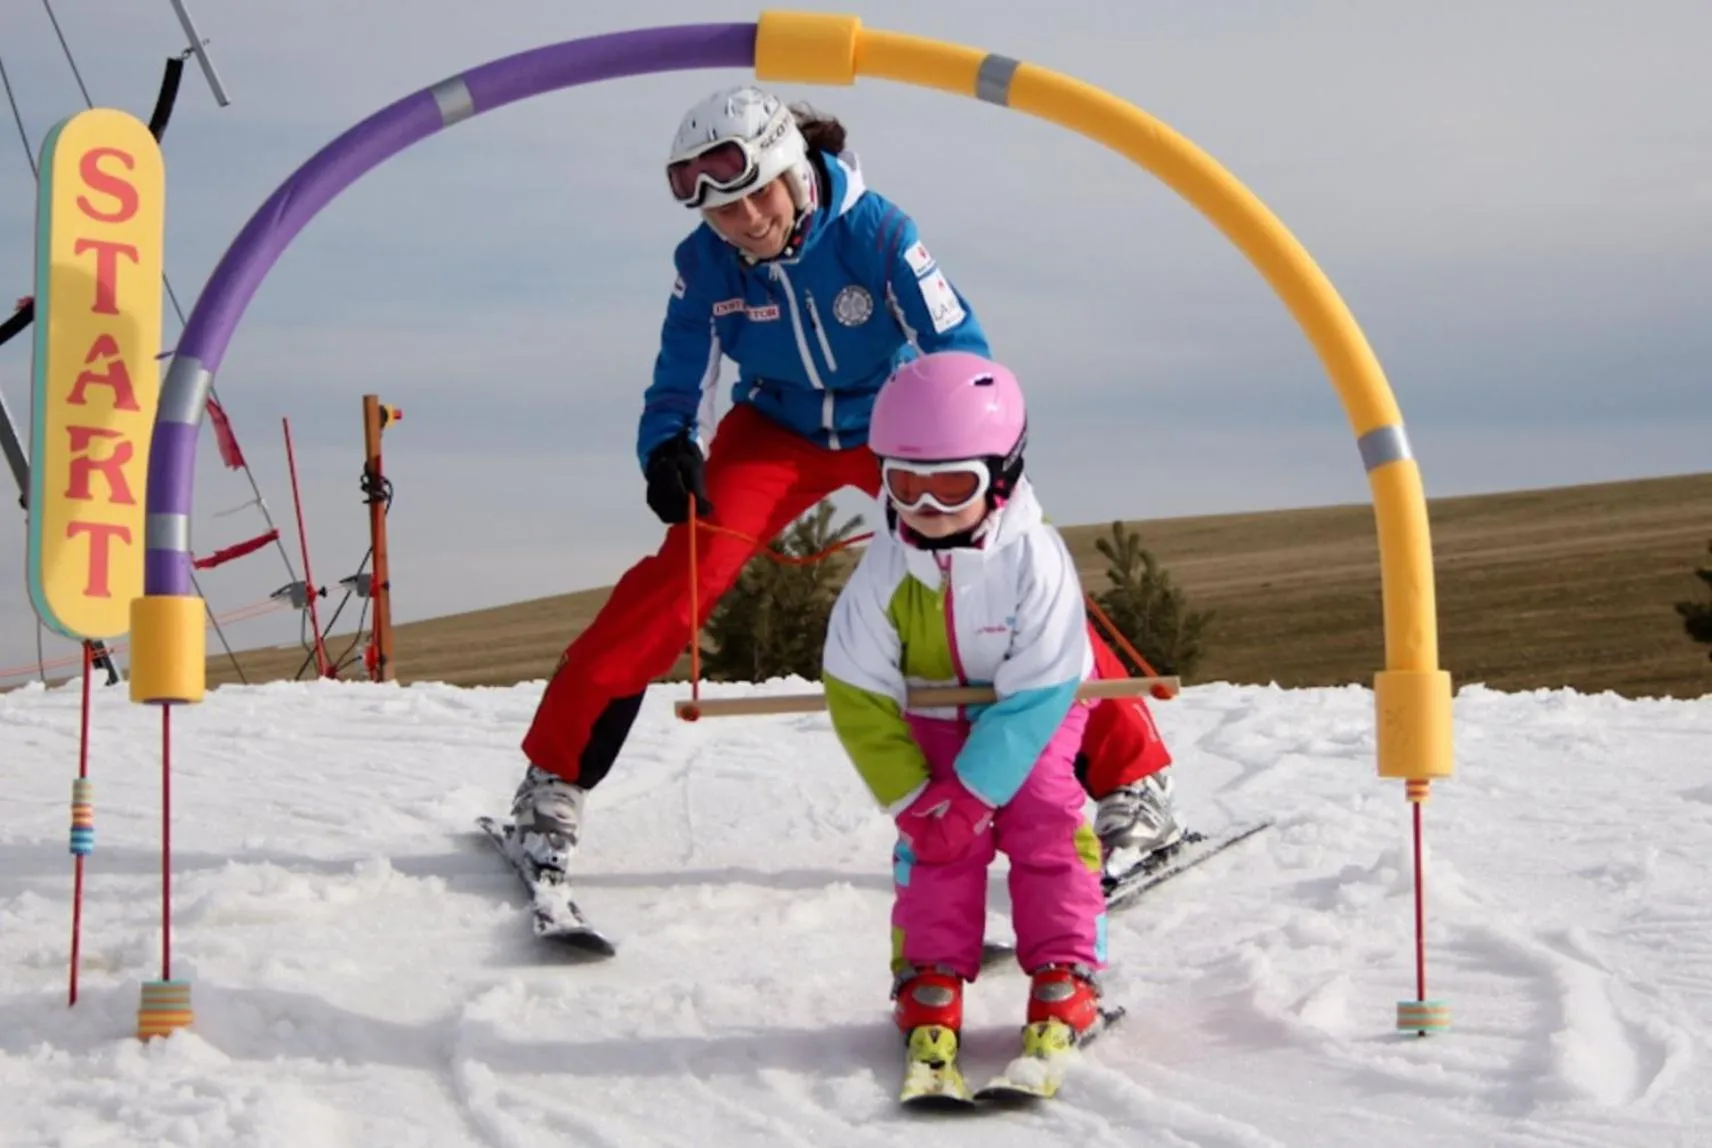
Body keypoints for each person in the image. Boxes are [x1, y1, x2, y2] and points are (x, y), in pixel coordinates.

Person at [506, 84, 1185, 891]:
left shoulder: (877, 233)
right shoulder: (703, 265)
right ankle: (552, 783)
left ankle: (1135, 784)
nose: (745, 220)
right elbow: (679, 378)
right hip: (774, 428)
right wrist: (666, 447)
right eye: (721, 210)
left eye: (758, 194)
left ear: (794, 173)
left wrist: (972, 448)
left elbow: (957, 347)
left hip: (893, 422)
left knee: (1007, 564)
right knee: (680, 580)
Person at [822, 349, 1112, 1054]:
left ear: (1002, 475)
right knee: (937, 840)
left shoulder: (1034, 557)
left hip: (1034, 713)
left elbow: (1043, 682)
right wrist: (911, 795)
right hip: (930, 713)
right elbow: (856, 689)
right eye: (905, 485)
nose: (926, 510)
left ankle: (1065, 969)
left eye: (953, 487)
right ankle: (930, 973)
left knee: (1044, 818)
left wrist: (978, 790)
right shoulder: (884, 568)